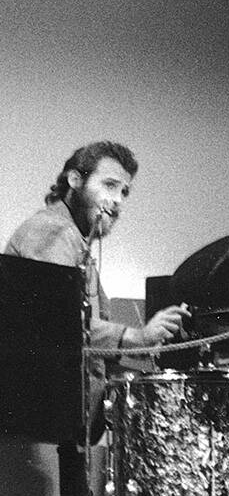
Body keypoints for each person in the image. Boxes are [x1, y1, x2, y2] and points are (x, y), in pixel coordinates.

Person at [5, 141, 191, 416]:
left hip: (56, 418)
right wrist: (138, 337)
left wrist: (146, 349)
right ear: (75, 180)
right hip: (39, 420)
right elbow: (59, 323)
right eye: (110, 185)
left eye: (124, 191)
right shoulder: (50, 231)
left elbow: (84, 341)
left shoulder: (75, 241)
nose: (118, 200)